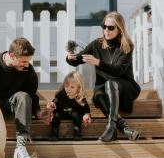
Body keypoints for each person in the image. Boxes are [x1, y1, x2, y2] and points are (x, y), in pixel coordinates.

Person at [66, 11, 141, 142]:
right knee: (97, 96)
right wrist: (70, 58)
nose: (106, 30)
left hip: (124, 86)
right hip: (103, 89)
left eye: (111, 27)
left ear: (120, 29)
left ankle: (111, 128)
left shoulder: (126, 46)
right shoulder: (97, 44)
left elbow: (119, 71)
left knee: (111, 83)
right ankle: (123, 128)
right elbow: (77, 59)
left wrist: (98, 62)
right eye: (104, 26)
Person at [46, 71, 91, 141]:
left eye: (72, 87)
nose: (68, 89)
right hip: (62, 113)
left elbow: (86, 109)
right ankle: (54, 134)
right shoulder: (62, 94)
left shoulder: (80, 98)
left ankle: (77, 134)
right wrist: (52, 104)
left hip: (74, 114)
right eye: (66, 86)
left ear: (78, 88)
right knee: (56, 115)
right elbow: (55, 102)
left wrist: (86, 115)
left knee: (77, 115)